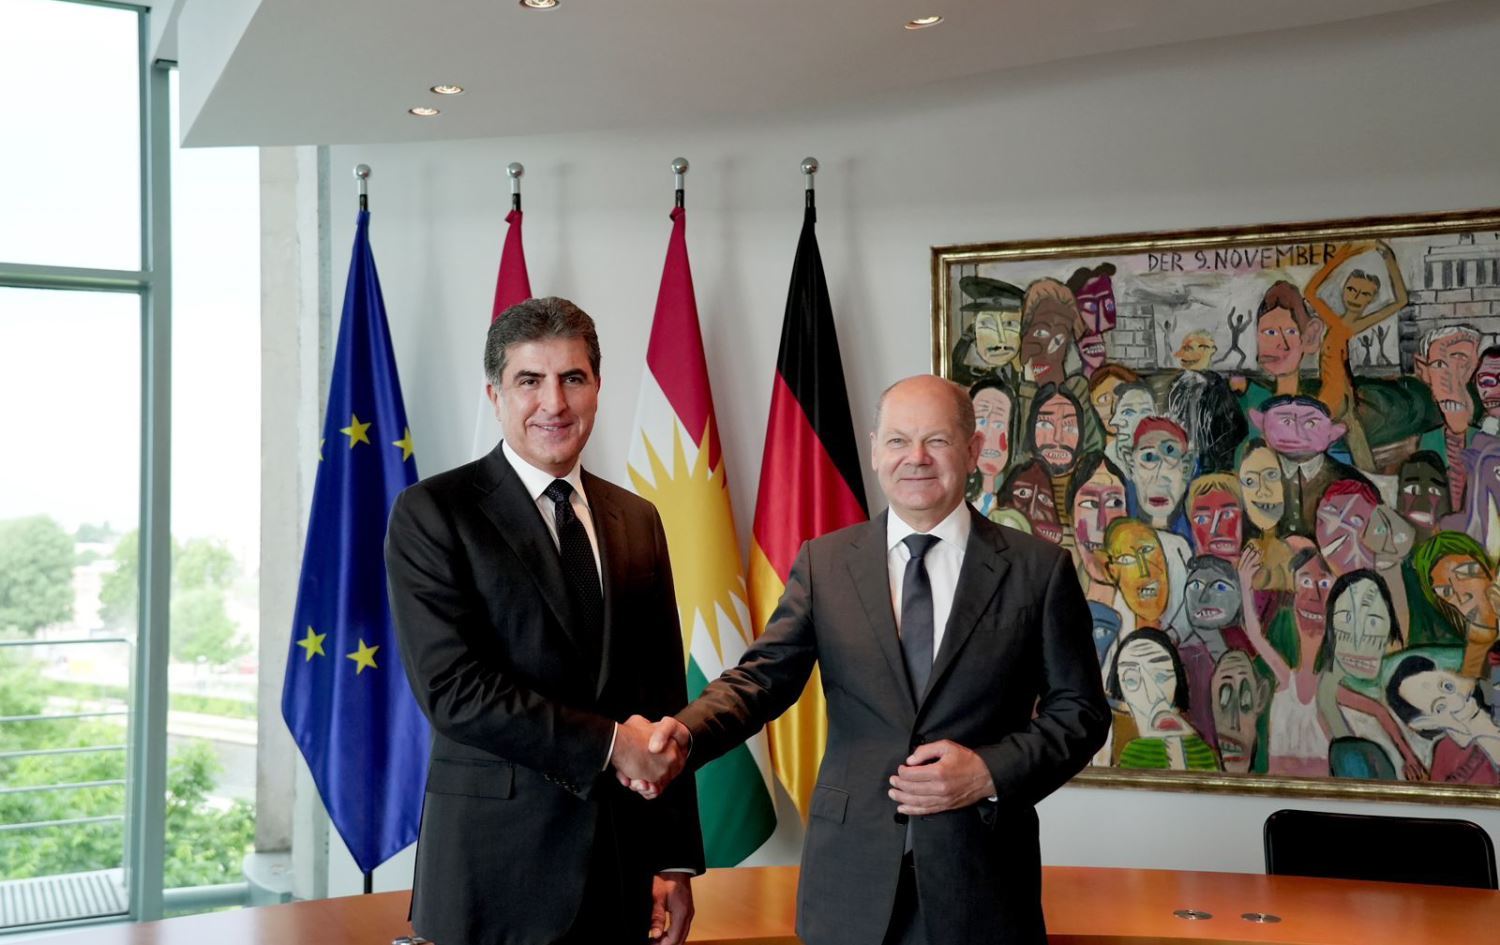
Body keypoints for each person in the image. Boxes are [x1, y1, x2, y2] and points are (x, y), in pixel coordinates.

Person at [637, 375, 1109, 945]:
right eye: (898, 441)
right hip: (849, 882)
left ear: (973, 450)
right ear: (874, 450)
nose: (916, 457)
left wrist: (988, 772)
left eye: (936, 440)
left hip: (981, 881)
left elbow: (1081, 713)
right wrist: (686, 732)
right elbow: (762, 680)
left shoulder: (1039, 569)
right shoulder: (826, 563)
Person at [384, 297, 704, 945]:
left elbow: (662, 694)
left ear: (597, 388)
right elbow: (453, 691)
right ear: (495, 394)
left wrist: (672, 856)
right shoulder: (434, 512)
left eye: (572, 378)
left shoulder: (637, 518)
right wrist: (612, 744)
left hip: (620, 871)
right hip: (492, 876)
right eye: (529, 380)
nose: (553, 403)